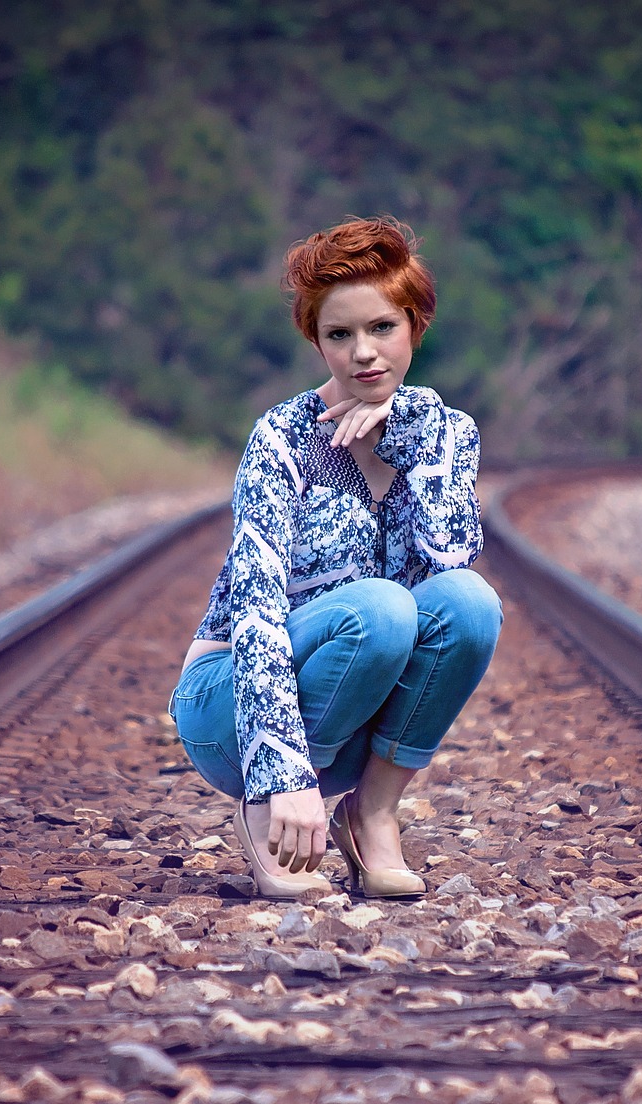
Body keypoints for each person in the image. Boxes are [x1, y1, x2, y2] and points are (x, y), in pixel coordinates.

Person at [169, 216, 503, 899]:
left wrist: (408, 438)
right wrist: (284, 775)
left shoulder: (446, 432)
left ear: (415, 325)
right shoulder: (283, 439)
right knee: (381, 607)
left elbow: (448, 555)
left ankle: (371, 812)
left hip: (359, 711)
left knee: (471, 601)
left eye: (382, 327)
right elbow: (256, 610)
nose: (363, 354)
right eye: (339, 335)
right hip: (230, 706)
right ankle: (268, 806)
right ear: (316, 340)